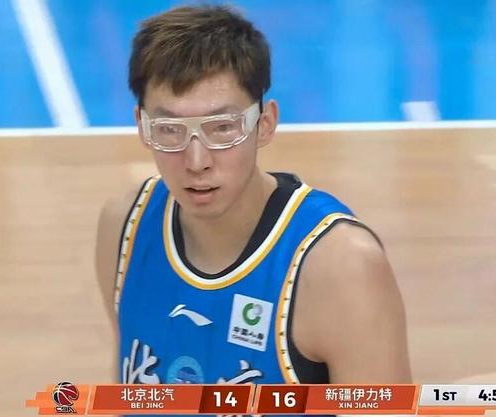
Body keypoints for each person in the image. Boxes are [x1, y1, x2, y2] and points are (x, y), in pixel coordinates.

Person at [95, 5, 411, 388]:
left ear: (265, 124)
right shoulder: (124, 228)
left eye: (222, 127)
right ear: (142, 127)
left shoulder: (342, 267)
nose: (197, 161)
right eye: (170, 129)